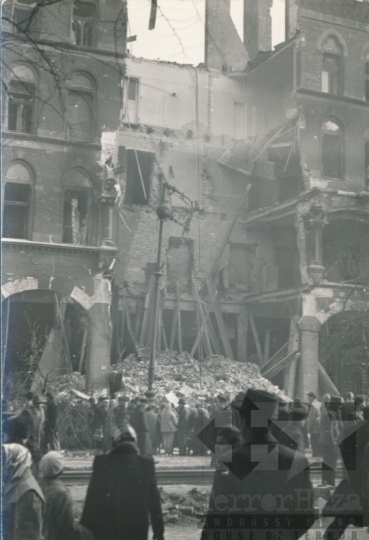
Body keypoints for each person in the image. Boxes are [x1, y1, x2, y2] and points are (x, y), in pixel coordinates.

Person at [201, 389, 313, 540]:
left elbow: (215, 520)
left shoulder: (230, 460)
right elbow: (307, 516)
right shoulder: (297, 460)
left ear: (242, 419)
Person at [81, 425, 164, 540]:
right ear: (135, 441)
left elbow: (92, 498)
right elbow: (154, 501)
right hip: (136, 529)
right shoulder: (146, 463)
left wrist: (85, 529)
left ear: (114, 442)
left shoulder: (101, 462)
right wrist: (159, 532)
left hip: (107, 528)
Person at [38, 451, 94, 540]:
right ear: (61, 470)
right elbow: (68, 526)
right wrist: (88, 534)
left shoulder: (37, 486)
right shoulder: (61, 493)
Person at [2, 443, 45, 540]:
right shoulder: (13, 484)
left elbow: (26, 536)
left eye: (5, 461)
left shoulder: (28, 492)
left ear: (16, 463)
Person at [320, 395, 343, 486]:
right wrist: (333, 445)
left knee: (329, 463)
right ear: (335, 404)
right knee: (330, 464)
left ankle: (327, 483)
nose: (340, 406)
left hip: (328, 442)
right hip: (329, 443)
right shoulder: (330, 414)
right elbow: (329, 431)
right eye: (339, 404)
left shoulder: (333, 412)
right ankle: (329, 484)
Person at [306, 391, 321, 456]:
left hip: (315, 424)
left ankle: (315, 454)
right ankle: (318, 453)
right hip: (320, 423)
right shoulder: (320, 403)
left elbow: (311, 417)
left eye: (309, 396)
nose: (308, 397)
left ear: (312, 397)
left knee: (314, 439)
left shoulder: (313, 405)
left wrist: (308, 428)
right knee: (318, 439)